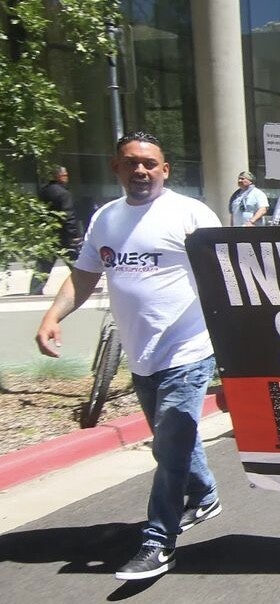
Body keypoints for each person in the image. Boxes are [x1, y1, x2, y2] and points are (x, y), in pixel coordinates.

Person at [34, 132, 223, 580]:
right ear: (116, 168)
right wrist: (52, 316)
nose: (141, 170)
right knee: (172, 438)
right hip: (141, 354)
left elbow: (225, 276)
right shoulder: (106, 219)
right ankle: (205, 495)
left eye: (150, 163)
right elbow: (83, 276)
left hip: (189, 349)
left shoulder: (190, 214)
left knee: (171, 443)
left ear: (165, 170)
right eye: (131, 162)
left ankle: (158, 541)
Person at [29, 166, 81, 295]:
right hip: (63, 235)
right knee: (75, 261)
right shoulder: (64, 194)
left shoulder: (43, 191)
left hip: (48, 233)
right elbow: (68, 215)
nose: (67, 178)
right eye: (65, 175)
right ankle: (84, 284)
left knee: (44, 263)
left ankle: (35, 288)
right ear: (59, 177)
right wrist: (74, 234)